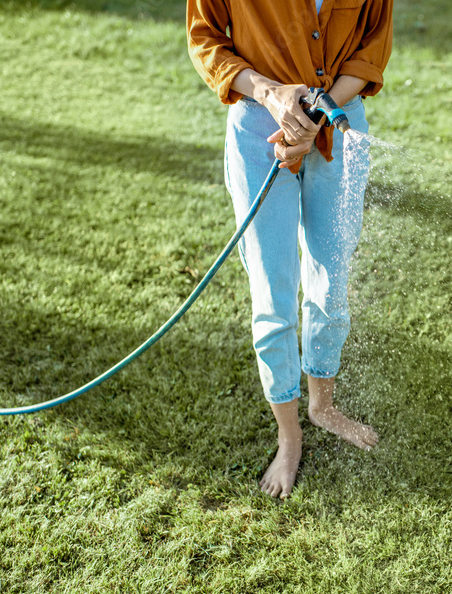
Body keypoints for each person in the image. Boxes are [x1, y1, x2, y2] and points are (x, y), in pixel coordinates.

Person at [187, 0, 393, 499]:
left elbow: (371, 48)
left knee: (331, 284)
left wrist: (315, 119)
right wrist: (273, 94)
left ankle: (323, 407)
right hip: (260, 125)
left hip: (339, 123)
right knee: (274, 296)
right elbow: (206, 39)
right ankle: (289, 436)